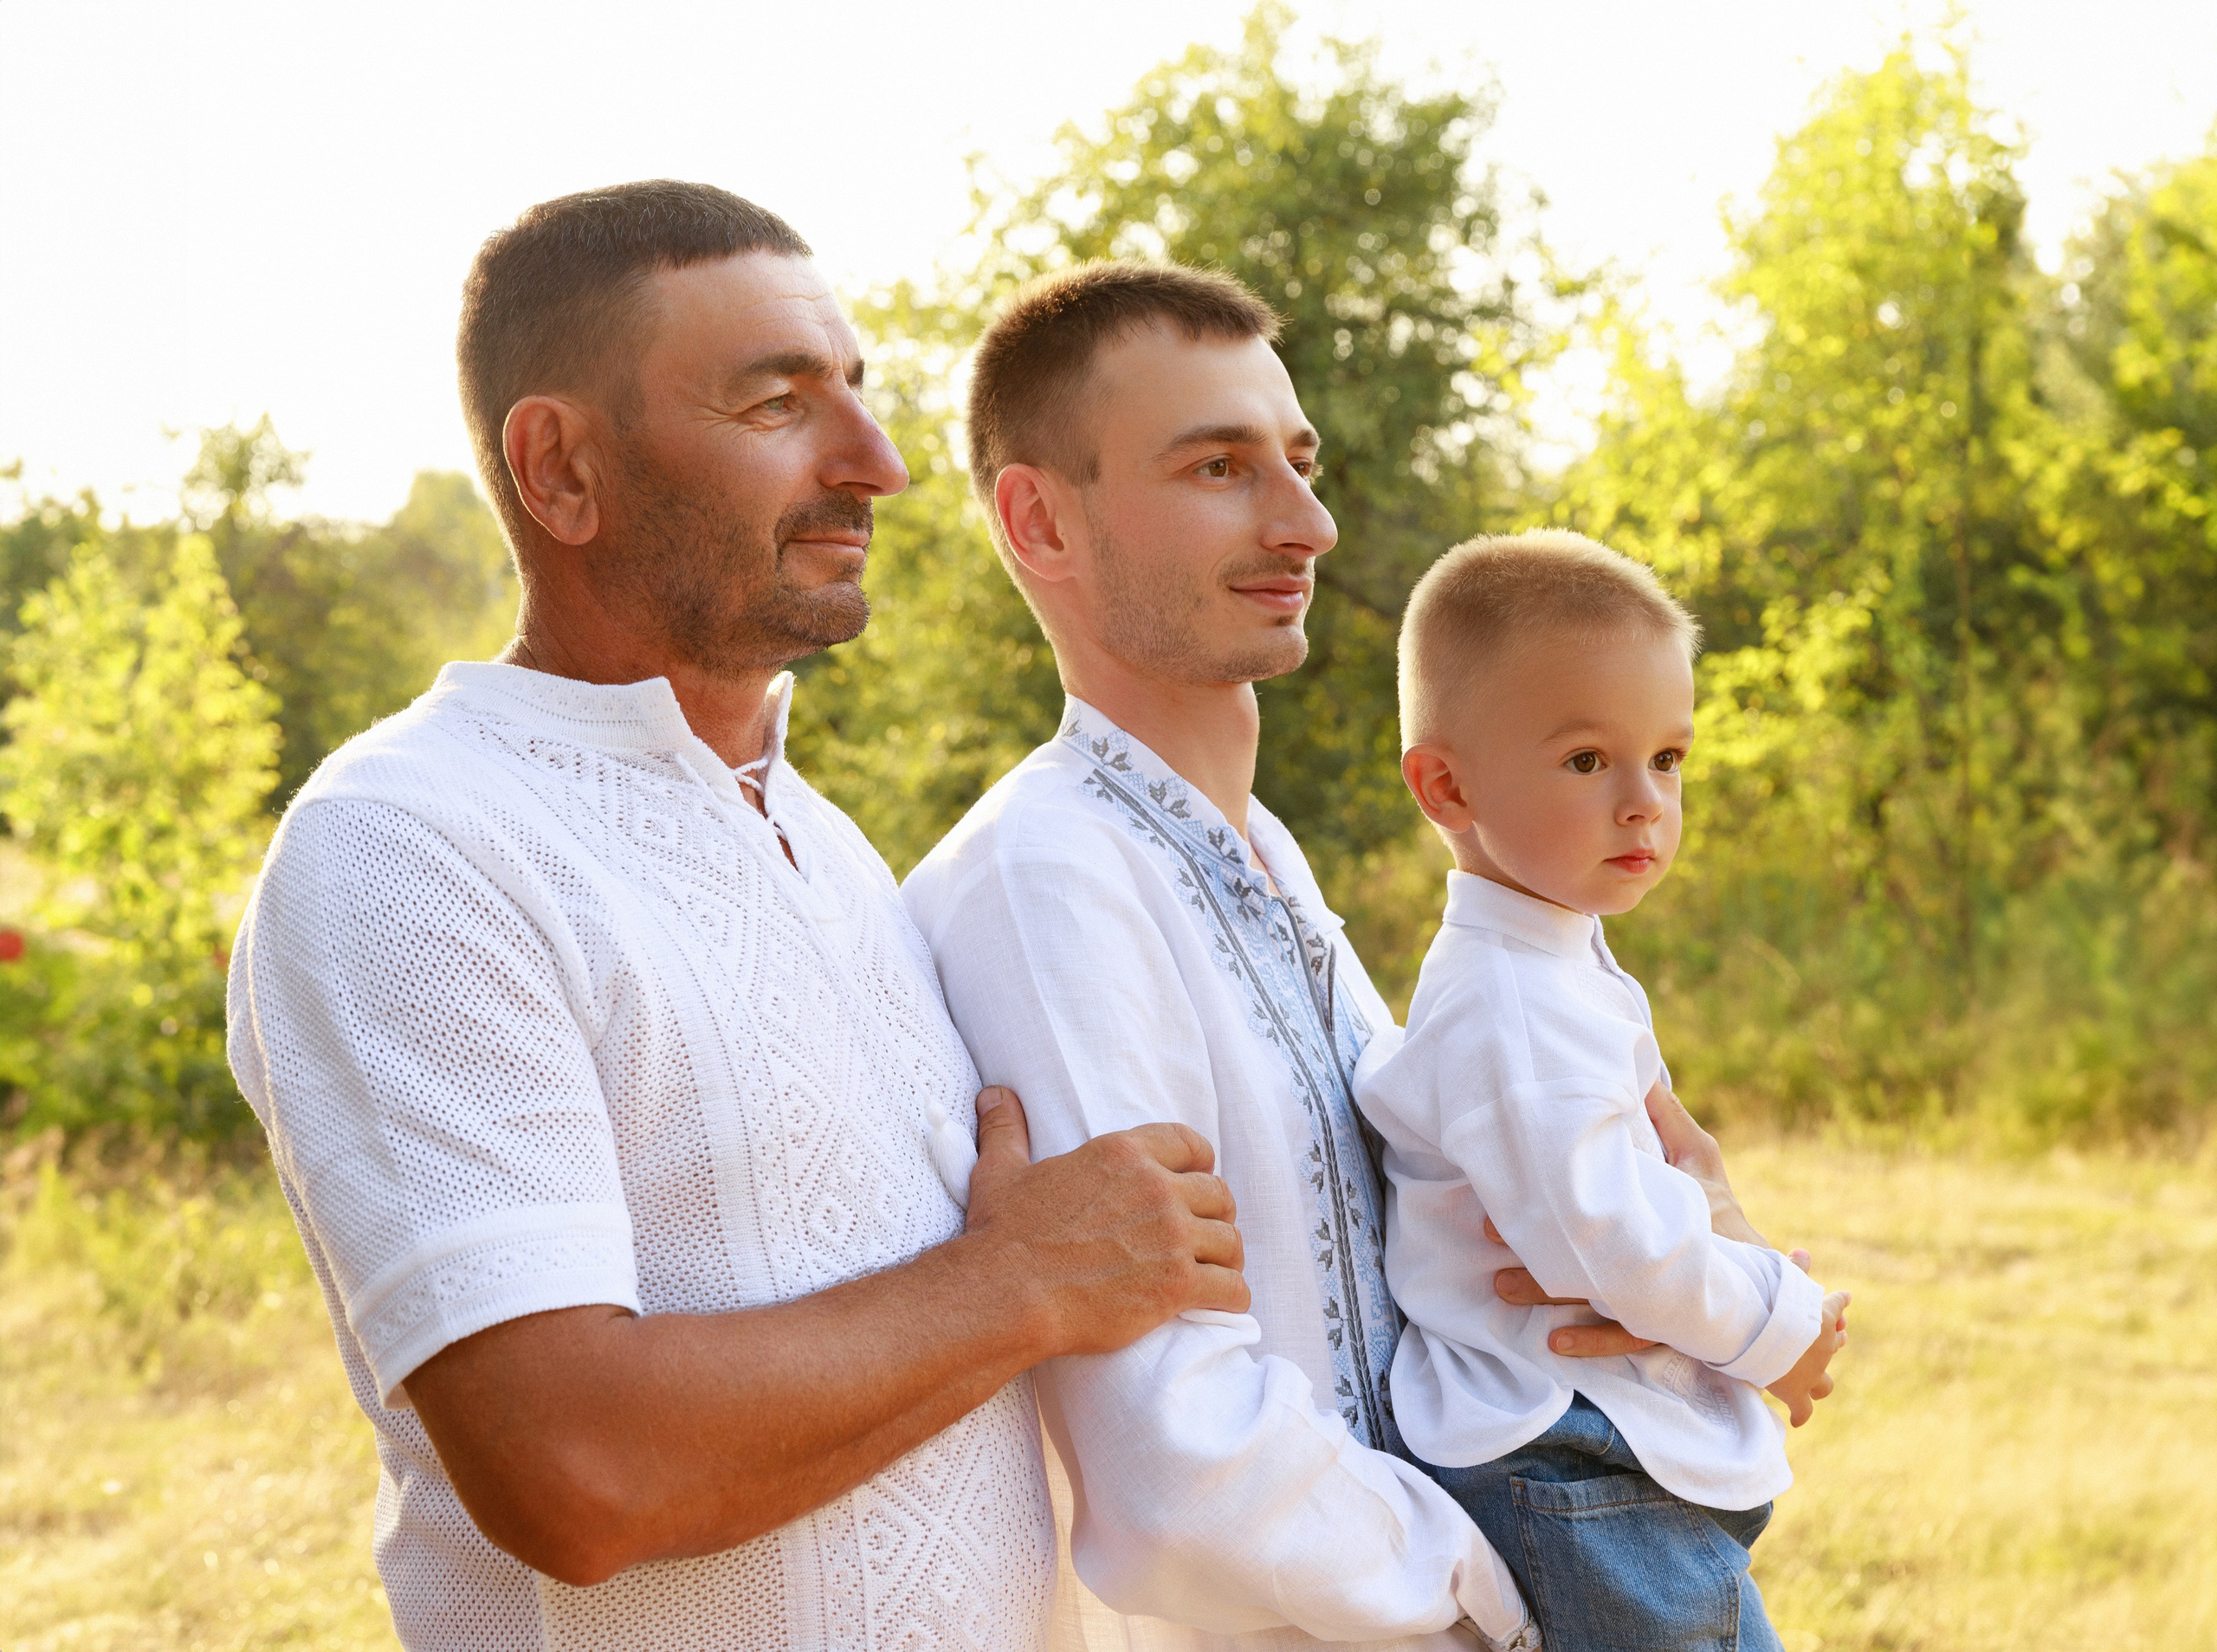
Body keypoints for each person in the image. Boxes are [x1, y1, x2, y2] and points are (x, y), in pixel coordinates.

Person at [223, 182, 1254, 1651]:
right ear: (560, 469)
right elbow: (578, 1473)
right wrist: (1022, 1283)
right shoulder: (410, 846)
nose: (880, 465)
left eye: (861, 393)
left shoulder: (825, 844)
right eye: (779, 403)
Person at [1354, 531, 1853, 1651]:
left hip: (1601, 1456)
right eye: (1588, 761)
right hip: (1573, 1463)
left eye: (1667, 758)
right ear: (1446, 784)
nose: (1644, 803)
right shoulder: (1509, 1002)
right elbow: (1616, 1245)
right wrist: (1781, 1326)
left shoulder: (1548, 958)